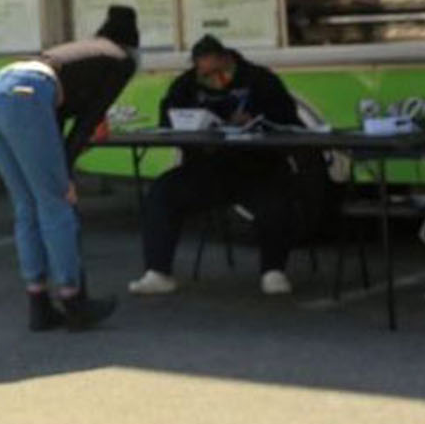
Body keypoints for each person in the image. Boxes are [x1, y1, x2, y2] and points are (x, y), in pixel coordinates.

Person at [0, 6, 138, 331]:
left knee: (27, 205)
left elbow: (60, 114)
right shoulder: (121, 59)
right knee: (56, 204)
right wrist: (65, 173)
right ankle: (74, 300)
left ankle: (38, 304)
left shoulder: (83, 51)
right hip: (28, 94)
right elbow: (87, 121)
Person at [128, 35, 311, 297]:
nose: (210, 77)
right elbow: (167, 119)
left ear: (226, 59)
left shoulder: (259, 79)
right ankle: (157, 272)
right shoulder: (187, 83)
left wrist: (256, 120)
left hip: (258, 167)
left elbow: (288, 121)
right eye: (203, 71)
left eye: (215, 71)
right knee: (162, 193)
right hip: (207, 168)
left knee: (276, 200)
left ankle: (273, 270)